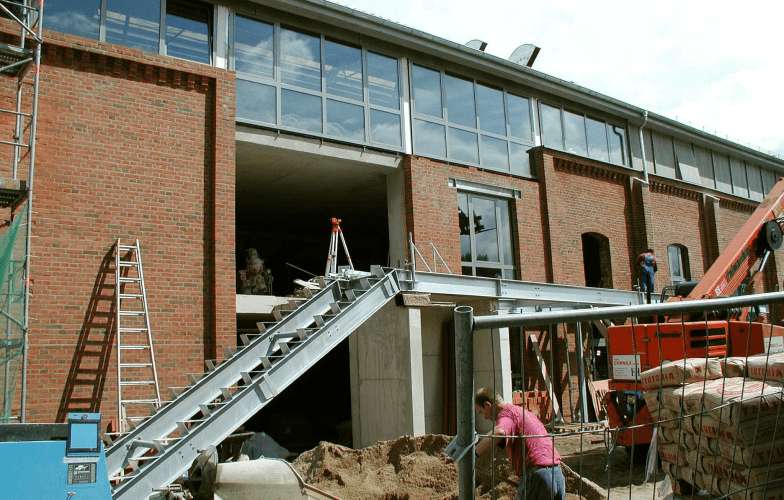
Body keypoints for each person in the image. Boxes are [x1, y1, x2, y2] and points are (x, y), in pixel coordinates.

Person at [474, 388, 565, 500]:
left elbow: (499, 432)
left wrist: (474, 453)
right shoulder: (521, 412)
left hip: (538, 476)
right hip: (556, 474)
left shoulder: (507, 415)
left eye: (481, 412)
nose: (484, 417)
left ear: (487, 405)